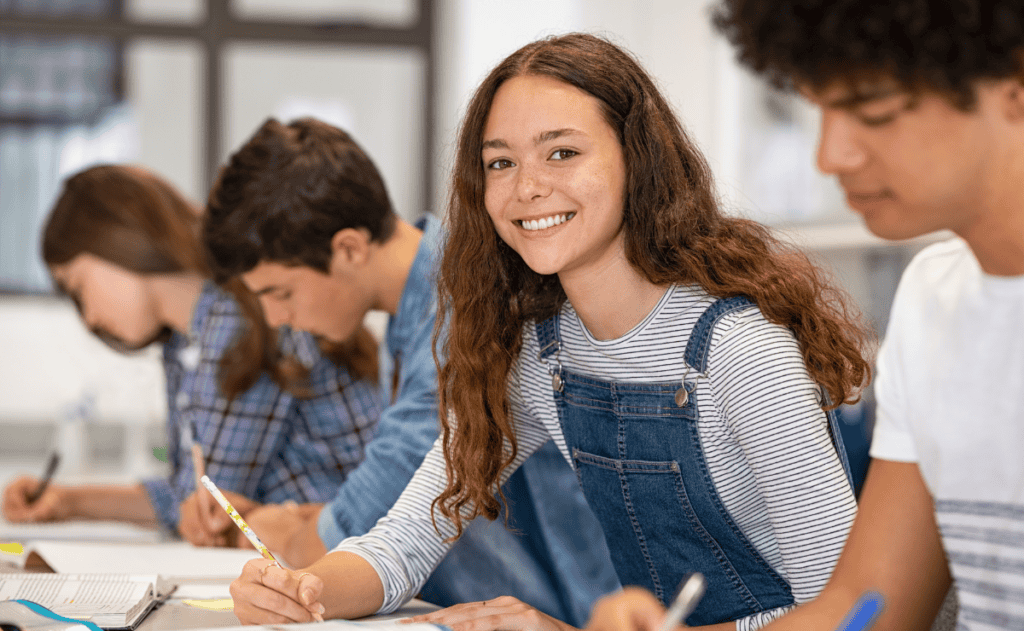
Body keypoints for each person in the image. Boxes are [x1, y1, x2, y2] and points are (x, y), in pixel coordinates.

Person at [226, 33, 874, 631]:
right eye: (500, 163)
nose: (527, 188)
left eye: (562, 152)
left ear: (637, 160)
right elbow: (404, 540)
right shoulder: (539, 355)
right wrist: (301, 588)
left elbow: (850, 612)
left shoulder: (740, 352)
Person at [584, 1, 1024, 630]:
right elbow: (868, 605)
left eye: (873, 111)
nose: (831, 155)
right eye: (821, 108)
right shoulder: (935, 298)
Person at [200, 117, 621, 627]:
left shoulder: (463, 311)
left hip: (565, 612)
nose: (276, 319)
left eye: (280, 293)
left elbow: (361, 515)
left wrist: (284, 527)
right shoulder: (411, 312)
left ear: (350, 248)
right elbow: (403, 522)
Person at [1, 164, 382, 538]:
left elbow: (206, 507)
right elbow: (191, 495)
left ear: (117, 239)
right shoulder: (187, 339)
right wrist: (65, 502)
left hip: (355, 551)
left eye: (79, 287)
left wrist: (76, 502)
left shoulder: (240, 320)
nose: (89, 319)